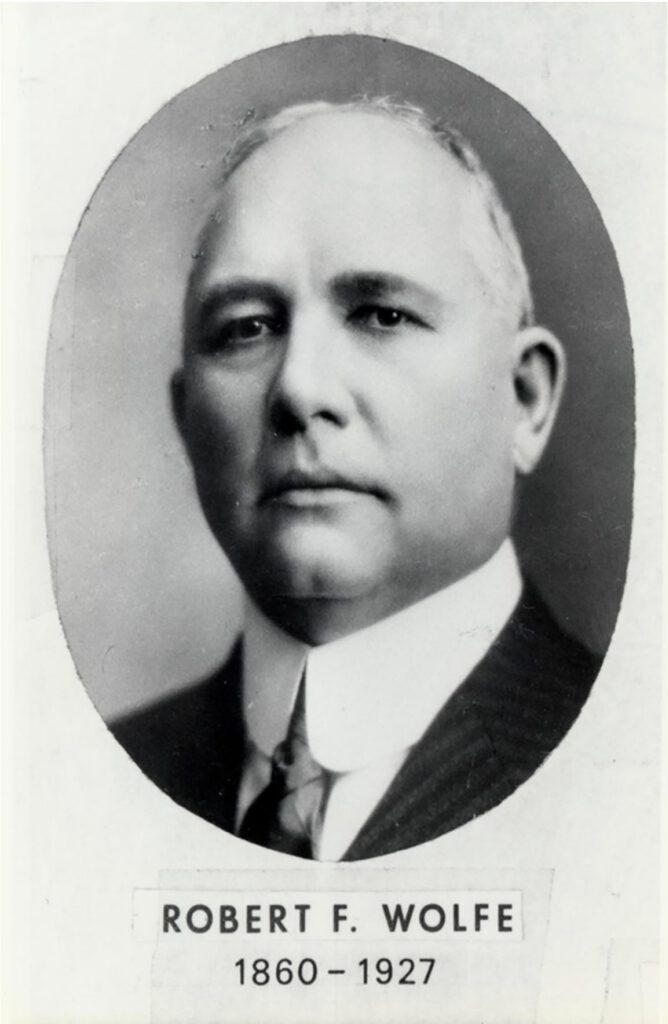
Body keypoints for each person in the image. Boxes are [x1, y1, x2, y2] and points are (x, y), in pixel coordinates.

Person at [112, 98, 600, 861]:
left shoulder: (646, 763)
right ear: (186, 424)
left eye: (380, 315)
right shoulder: (83, 788)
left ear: (526, 402)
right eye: (245, 328)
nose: (300, 390)